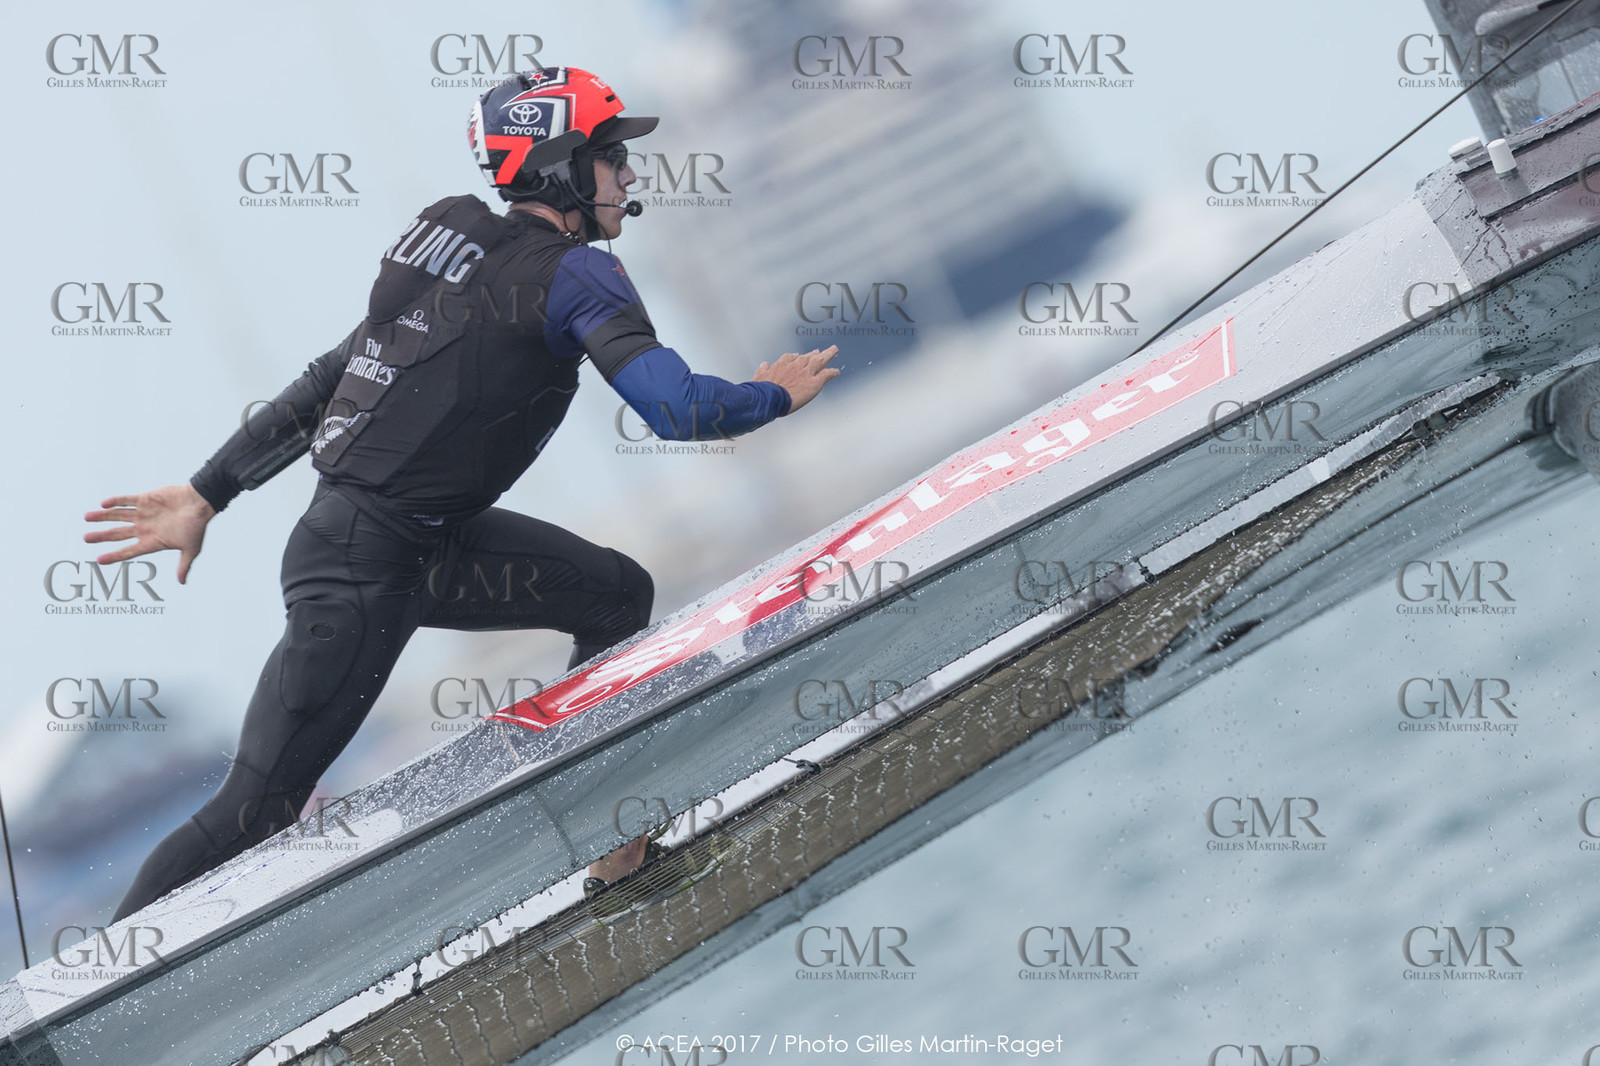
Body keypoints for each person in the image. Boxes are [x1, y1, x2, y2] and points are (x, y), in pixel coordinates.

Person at [86, 66, 839, 920]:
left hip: (423, 548)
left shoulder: (451, 236)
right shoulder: (577, 275)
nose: (629, 175)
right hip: (361, 567)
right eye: (612, 157)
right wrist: (771, 394)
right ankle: (87, 1007)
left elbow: (332, 375)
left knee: (615, 594)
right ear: (562, 166)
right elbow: (678, 407)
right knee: (256, 807)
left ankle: (615, 853)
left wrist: (208, 492)